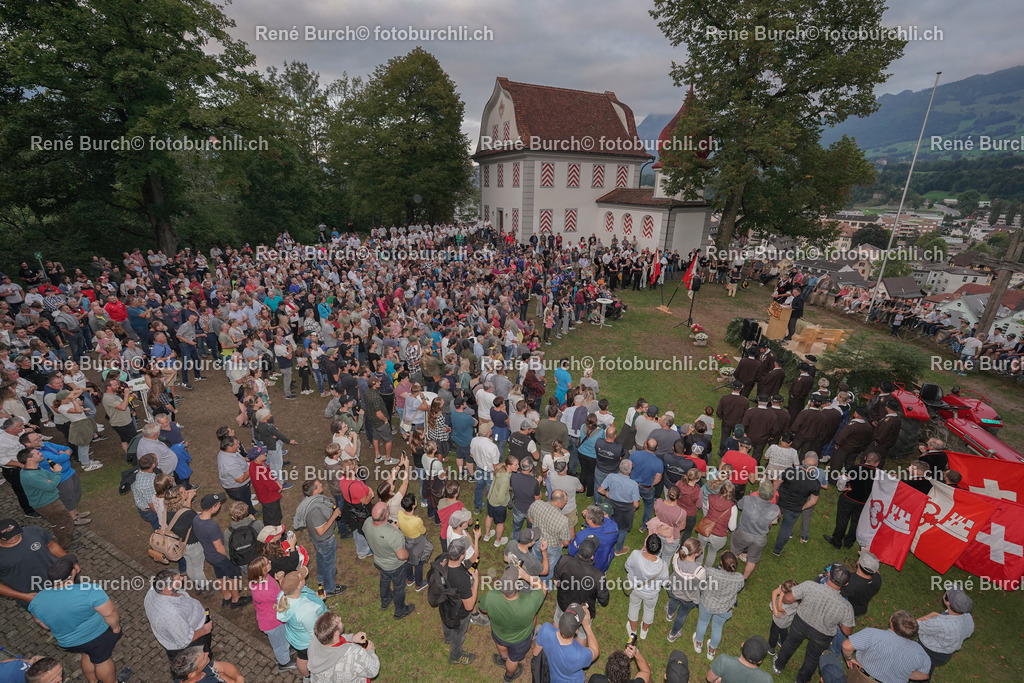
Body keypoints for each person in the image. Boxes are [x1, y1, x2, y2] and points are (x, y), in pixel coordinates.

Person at [27, 555, 123, 683]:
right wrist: (116, 628)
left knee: (88, 653)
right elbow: (110, 614)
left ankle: (93, 681)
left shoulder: (37, 600)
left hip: (69, 643)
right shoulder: (90, 590)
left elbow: (41, 622)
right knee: (101, 660)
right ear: (73, 572)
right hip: (97, 636)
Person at [772, 565, 855, 682]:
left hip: (800, 623)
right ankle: (801, 681)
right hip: (823, 635)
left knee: (790, 644)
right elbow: (847, 631)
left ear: (829, 574)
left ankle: (778, 666)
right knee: (812, 659)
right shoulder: (846, 607)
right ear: (846, 584)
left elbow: (787, 599)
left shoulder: (809, 585)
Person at [480, 565, 547, 683]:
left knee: (501, 646)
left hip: (499, 633)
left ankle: (503, 659)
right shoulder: (529, 602)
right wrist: (525, 576)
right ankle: (508, 676)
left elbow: (483, 609)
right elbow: (543, 587)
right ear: (517, 586)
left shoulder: (490, 596)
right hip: (520, 640)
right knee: (513, 659)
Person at [192, 493, 250, 609]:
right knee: (233, 576)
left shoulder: (196, 519)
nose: (220, 505)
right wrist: (232, 556)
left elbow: (197, 514)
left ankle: (227, 596)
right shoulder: (211, 526)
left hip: (210, 555)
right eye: (218, 504)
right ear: (213, 507)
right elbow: (219, 548)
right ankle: (236, 600)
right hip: (221, 557)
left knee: (220, 576)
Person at [430, 538, 481, 665]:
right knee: (458, 634)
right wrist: (476, 581)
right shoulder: (462, 578)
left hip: (444, 601)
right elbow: (469, 606)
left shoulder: (442, 559)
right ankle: (455, 656)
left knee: (446, 619)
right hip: (458, 612)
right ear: (462, 555)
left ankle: (448, 637)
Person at [841, 611, 932, 683]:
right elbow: (924, 675)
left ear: (891, 623)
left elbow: (846, 646)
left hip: (862, 678)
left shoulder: (872, 634)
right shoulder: (920, 653)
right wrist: (904, 674)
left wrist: (849, 658)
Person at [362, 502, 415, 620]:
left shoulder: (367, 522)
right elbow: (402, 556)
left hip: (379, 561)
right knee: (399, 588)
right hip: (394, 566)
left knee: (384, 580)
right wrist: (408, 555)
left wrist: (389, 527)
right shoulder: (394, 534)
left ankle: (385, 601)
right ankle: (400, 611)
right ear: (386, 515)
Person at [293, 479, 345, 599]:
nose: (322, 484)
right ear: (315, 491)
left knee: (321, 558)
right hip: (325, 540)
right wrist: (334, 515)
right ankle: (330, 589)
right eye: (319, 485)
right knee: (329, 563)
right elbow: (321, 530)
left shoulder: (309, 501)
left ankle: (321, 578)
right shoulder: (315, 510)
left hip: (317, 540)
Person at [144, 568, 211, 661]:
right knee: (202, 661)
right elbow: (185, 640)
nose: (182, 579)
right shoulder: (171, 614)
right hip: (192, 644)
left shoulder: (154, 590)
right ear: (166, 589)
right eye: (178, 579)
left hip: (189, 630)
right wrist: (204, 630)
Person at [247, 555, 298, 673]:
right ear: (262, 570)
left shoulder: (259, 580)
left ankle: (285, 651)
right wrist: (281, 579)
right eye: (267, 562)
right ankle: (284, 663)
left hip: (269, 616)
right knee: (279, 644)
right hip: (273, 622)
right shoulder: (265, 591)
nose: (270, 561)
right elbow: (283, 596)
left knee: (282, 639)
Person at [275, 566, 327, 680]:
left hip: (295, 636)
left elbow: (304, 594)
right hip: (306, 642)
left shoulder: (284, 595)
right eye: (302, 578)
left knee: (303, 656)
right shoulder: (305, 610)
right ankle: (308, 677)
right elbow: (314, 632)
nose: (304, 577)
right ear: (298, 586)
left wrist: (316, 597)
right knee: (304, 658)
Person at [16, 448, 74, 548]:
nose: (41, 454)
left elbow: (50, 479)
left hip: (49, 501)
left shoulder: (34, 469)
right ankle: (65, 544)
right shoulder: (31, 475)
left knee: (59, 522)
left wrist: (51, 479)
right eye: (37, 453)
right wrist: (57, 472)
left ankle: (67, 536)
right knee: (64, 522)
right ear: (29, 459)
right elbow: (50, 486)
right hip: (48, 504)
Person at [692, 551, 745, 662]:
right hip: (725, 608)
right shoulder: (740, 578)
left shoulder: (711, 572)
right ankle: (711, 651)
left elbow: (701, 579)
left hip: (707, 604)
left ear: (721, 562)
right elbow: (739, 588)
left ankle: (698, 644)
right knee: (717, 628)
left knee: (702, 622)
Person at [0, 518, 63, 607]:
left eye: (16, 534)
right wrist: (23, 596)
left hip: (61, 580)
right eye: (8, 537)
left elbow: (52, 546)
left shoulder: (34, 531)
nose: (14, 538)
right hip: (34, 594)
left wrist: (69, 561)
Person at [823, 452, 880, 549]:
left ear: (865, 458)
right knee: (856, 523)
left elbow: (842, 479)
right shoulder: (878, 474)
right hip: (864, 503)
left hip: (848, 498)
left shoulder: (855, 468)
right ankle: (849, 542)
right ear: (878, 463)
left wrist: (842, 488)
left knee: (842, 520)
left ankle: (837, 541)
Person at [532, 603, 599, 683]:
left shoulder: (546, 629)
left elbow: (535, 653)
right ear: (576, 631)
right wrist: (587, 626)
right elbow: (595, 651)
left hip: (552, 678)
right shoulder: (580, 655)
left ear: (560, 621)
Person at [307, 611, 381, 683]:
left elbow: (332, 640)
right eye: (338, 621)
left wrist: (352, 638)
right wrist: (370, 651)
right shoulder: (354, 654)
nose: (340, 618)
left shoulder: (315, 640)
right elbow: (373, 671)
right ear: (336, 634)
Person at [772, 454, 821, 557]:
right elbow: (813, 501)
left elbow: (776, 483)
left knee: (767, 520)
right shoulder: (815, 483)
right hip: (794, 509)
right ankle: (777, 550)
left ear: (802, 463)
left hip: (779, 502)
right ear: (814, 468)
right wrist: (802, 507)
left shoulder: (789, 471)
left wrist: (773, 496)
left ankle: (757, 536)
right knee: (786, 529)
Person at [916, 588, 975, 670]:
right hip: (945, 654)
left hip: (928, 650)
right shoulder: (968, 617)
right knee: (927, 669)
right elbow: (968, 633)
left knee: (914, 669)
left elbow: (913, 626)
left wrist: (931, 615)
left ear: (948, 602)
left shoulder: (940, 623)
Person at [731, 480, 780, 579]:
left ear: (759, 491)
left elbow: (739, 505)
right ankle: (744, 580)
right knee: (752, 560)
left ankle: (729, 573)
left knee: (734, 553)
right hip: (760, 538)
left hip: (742, 534)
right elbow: (776, 519)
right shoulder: (775, 509)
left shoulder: (747, 499)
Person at [624, 534, 668, 641]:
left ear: (646, 544)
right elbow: (665, 582)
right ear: (659, 549)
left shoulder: (635, 554)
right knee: (649, 610)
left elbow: (627, 566)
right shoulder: (663, 565)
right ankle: (644, 631)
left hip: (635, 589)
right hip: (651, 594)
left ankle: (633, 631)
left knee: (634, 607)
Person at [528, 489, 574, 582]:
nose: (566, 503)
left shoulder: (537, 504)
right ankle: (544, 584)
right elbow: (566, 542)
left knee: (535, 561)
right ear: (559, 503)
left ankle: (532, 577)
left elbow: (530, 518)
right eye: (565, 501)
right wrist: (562, 544)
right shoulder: (563, 520)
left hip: (536, 540)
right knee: (549, 568)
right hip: (552, 547)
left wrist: (537, 527)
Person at [696, 479, 737, 570]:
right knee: (712, 552)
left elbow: (707, 511)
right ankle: (706, 569)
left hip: (704, 529)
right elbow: (732, 527)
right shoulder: (733, 507)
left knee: (701, 547)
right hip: (719, 536)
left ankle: (697, 566)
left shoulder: (710, 497)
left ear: (721, 489)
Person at [568, 505, 618, 574]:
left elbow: (571, 551)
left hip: (589, 566)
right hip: (604, 563)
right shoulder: (613, 528)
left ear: (591, 521)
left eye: (586, 517)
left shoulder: (582, 536)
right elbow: (608, 520)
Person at [707, 636, 772, 683]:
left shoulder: (724, 661)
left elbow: (709, 678)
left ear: (742, 645)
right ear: (760, 661)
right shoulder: (767, 679)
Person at [629, 438, 664, 524]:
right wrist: (651, 485)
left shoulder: (635, 454)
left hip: (632, 484)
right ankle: (645, 525)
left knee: (629, 501)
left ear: (645, 445)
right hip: (646, 487)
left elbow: (629, 467)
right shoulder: (659, 462)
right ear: (657, 448)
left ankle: (627, 516)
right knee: (649, 505)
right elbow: (658, 479)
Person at [247, 446, 284, 527]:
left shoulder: (257, 463)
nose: (265, 453)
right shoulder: (260, 471)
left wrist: (276, 480)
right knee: (274, 517)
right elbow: (270, 485)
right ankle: (276, 532)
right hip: (269, 498)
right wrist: (278, 487)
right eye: (263, 453)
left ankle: (268, 526)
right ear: (257, 458)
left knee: (268, 514)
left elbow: (269, 473)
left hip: (263, 496)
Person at [170, 645, 244, 683]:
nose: (207, 653)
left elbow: (224, 666)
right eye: (203, 658)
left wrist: (239, 677)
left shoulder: (183, 673)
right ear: (192, 674)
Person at [842, 551, 882, 618]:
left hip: (849, 609)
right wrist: (867, 557)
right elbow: (876, 570)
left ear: (858, 562)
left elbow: (838, 594)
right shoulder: (877, 578)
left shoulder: (851, 581)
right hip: (861, 609)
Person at [768, 580, 798, 657]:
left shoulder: (794, 604)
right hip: (780, 619)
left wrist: (781, 594)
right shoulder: (786, 588)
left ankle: (771, 648)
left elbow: (779, 608)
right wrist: (774, 609)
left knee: (774, 633)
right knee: (783, 631)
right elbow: (774, 592)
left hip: (781, 621)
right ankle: (783, 642)